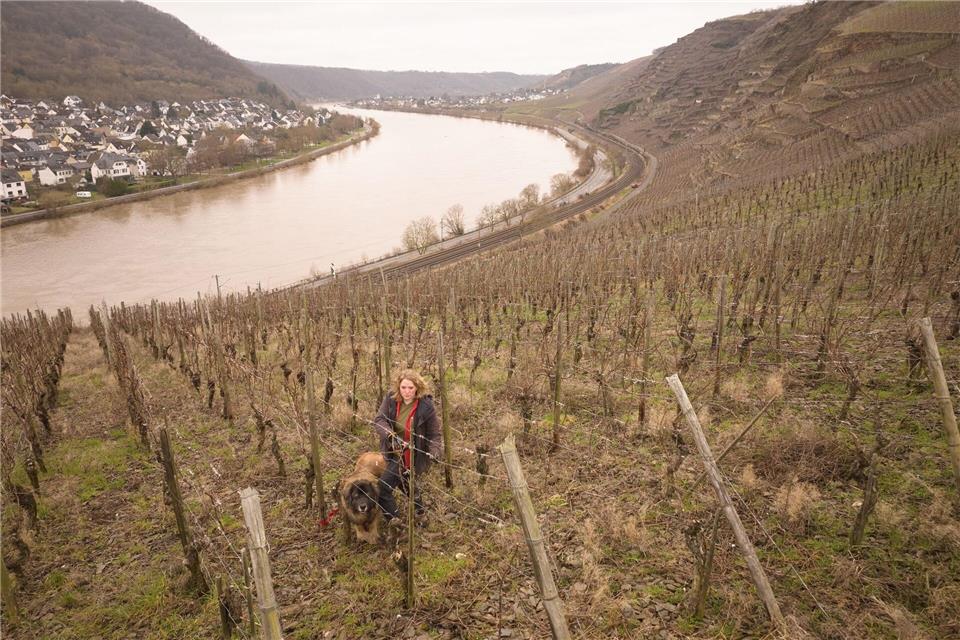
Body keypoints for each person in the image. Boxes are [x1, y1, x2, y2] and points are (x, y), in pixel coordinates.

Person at [372, 369, 443, 521]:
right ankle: (420, 512)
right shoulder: (391, 399)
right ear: (399, 387)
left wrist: (434, 451)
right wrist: (390, 435)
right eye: (403, 387)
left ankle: (395, 521)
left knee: (383, 488)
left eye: (411, 388)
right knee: (404, 481)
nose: (407, 391)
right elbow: (379, 420)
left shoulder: (426, 406)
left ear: (417, 387)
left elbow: (434, 434)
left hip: (411, 455)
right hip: (393, 450)